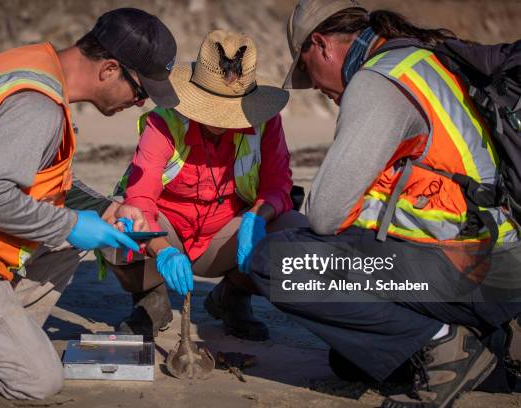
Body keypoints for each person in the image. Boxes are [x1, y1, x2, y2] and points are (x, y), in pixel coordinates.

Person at [248, 1, 521, 407]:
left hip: (468, 267)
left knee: (276, 260)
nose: (318, 88)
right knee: (352, 360)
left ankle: (446, 348)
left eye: (307, 70)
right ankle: (496, 347)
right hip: (496, 265)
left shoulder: (379, 81)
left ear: (321, 45)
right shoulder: (423, 62)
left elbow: (324, 215)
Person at [0, 8, 178, 399]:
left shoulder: (31, 65)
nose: (139, 104)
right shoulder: (38, 108)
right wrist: (71, 226)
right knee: (36, 381)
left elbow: (39, 183)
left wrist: (108, 211)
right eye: (140, 92)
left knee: (78, 235)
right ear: (108, 69)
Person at [103, 30, 309, 342]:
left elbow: (278, 185)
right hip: (165, 232)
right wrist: (163, 253)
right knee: (118, 217)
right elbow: (141, 199)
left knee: (295, 229)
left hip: (225, 238)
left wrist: (257, 217)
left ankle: (233, 296)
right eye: (215, 106)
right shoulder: (164, 122)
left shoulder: (266, 122)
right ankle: (151, 299)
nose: (224, 117)